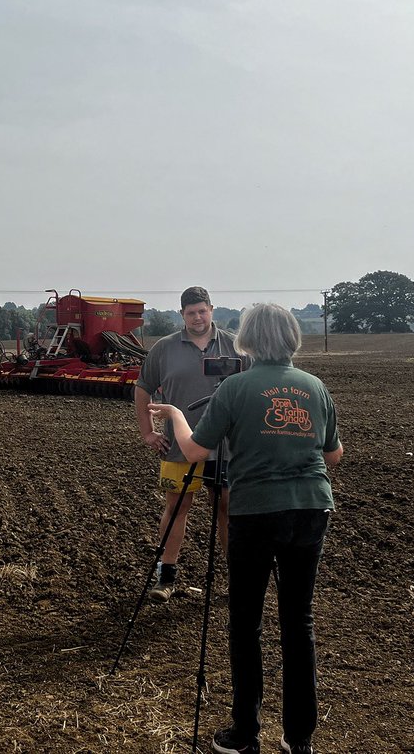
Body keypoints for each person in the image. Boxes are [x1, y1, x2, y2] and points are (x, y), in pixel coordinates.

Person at [149, 303, 343, 754]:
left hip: (256, 513)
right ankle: (300, 739)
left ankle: (245, 733)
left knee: (246, 622)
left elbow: (195, 452)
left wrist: (177, 416)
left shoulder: (236, 387)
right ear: (292, 338)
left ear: (248, 340)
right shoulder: (315, 387)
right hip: (312, 509)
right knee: (299, 622)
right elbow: (333, 456)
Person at [134, 286, 240, 603]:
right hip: (180, 444)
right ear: (182, 314)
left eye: (202, 310)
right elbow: (142, 390)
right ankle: (165, 578)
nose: (198, 316)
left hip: (226, 446)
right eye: (191, 312)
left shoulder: (236, 345)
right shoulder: (165, 349)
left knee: (226, 507)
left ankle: (236, 580)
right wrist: (148, 432)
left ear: (212, 310)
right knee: (177, 506)